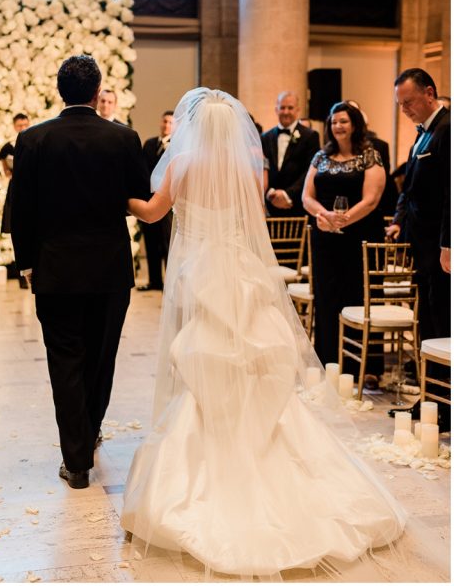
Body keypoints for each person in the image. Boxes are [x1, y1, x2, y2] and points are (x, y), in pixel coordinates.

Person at [121, 88, 404, 576]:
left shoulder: (181, 164)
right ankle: (263, 448)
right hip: (242, 272)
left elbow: (152, 213)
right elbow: (251, 218)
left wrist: (117, 196)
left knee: (204, 360)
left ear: (192, 127)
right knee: (252, 361)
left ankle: (213, 459)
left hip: (202, 276)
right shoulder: (249, 168)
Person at [10, 55, 149, 489]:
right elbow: (139, 199)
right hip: (109, 271)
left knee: (65, 362)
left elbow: (21, 209)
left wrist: (27, 263)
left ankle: (77, 462)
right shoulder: (124, 139)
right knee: (101, 360)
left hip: (55, 270)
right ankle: (87, 437)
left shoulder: (32, 139)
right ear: (97, 92)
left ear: (59, 90)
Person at [301, 102, 386, 384]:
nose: (338, 126)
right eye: (334, 121)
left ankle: (366, 367)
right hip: (325, 238)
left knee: (359, 296)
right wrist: (322, 215)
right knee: (327, 297)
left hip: (359, 238)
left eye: (344, 121)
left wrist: (346, 219)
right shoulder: (320, 157)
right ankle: (329, 360)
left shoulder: (370, 155)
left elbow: (372, 199)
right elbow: (306, 196)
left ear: (355, 124)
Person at [386, 69, 450, 429]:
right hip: (419, 247)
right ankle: (430, 400)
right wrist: (397, 220)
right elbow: (409, 190)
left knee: (441, 325)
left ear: (429, 92)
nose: (405, 109)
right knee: (426, 322)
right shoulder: (421, 136)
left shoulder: (447, 130)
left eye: (408, 102)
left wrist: (448, 244)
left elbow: (449, 196)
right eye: (400, 105)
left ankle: (444, 406)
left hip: (439, 251)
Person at [262, 91, 320, 217]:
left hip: (297, 206)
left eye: (290, 108)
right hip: (270, 207)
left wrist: (287, 195)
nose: (286, 112)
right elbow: (261, 169)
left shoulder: (310, 136)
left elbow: (310, 171)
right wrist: (270, 193)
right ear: (276, 109)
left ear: (298, 110)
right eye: (282, 107)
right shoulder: (265, 137)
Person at [137, 110, 174, 291]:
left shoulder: (176, 147)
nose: (167, 125)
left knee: (167, 243)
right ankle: (154, 281)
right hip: (148, 199)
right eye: (164, 121)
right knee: (151, 242)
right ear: (160, 123)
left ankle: (169, 282)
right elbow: (142, 170)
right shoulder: (150, 144)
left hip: (167, 203)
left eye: (170, 123)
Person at [0, 112, 30, 237]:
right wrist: (6, 170)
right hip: (16, 184)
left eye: (25, 125)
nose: (22, 128)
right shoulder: (10, 145)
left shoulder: (34, 141)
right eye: (19, 125)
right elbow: (2, 158)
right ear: (14, 126)